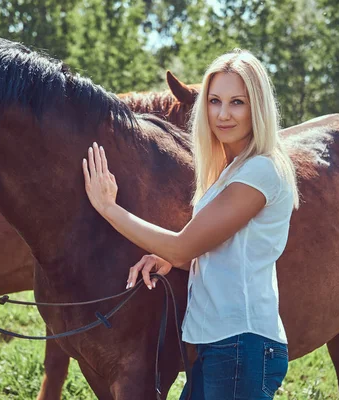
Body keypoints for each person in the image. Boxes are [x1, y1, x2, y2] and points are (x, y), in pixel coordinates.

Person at [81, 49, 300, 399]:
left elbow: (185, 243)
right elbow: (213, 249)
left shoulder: (260, 170)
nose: (223, 114)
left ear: (257, 106)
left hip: (240, 346)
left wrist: (109, 208)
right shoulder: (232, 171)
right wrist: (173, 260)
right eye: (214, 101)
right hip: (221, 346)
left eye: (237, 102)